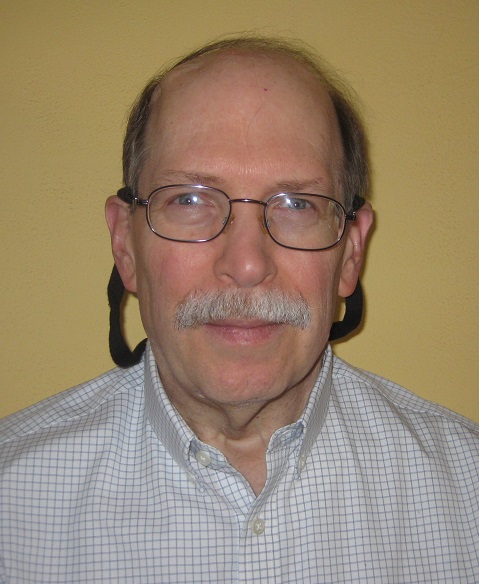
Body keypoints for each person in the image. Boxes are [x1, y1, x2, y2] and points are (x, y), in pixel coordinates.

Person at [1, 36, 478, 584]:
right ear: (125, 245)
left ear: (350, 253)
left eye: (298, 204)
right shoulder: (11, 503)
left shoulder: (468, 496)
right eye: (190, 199)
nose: (247, 265)